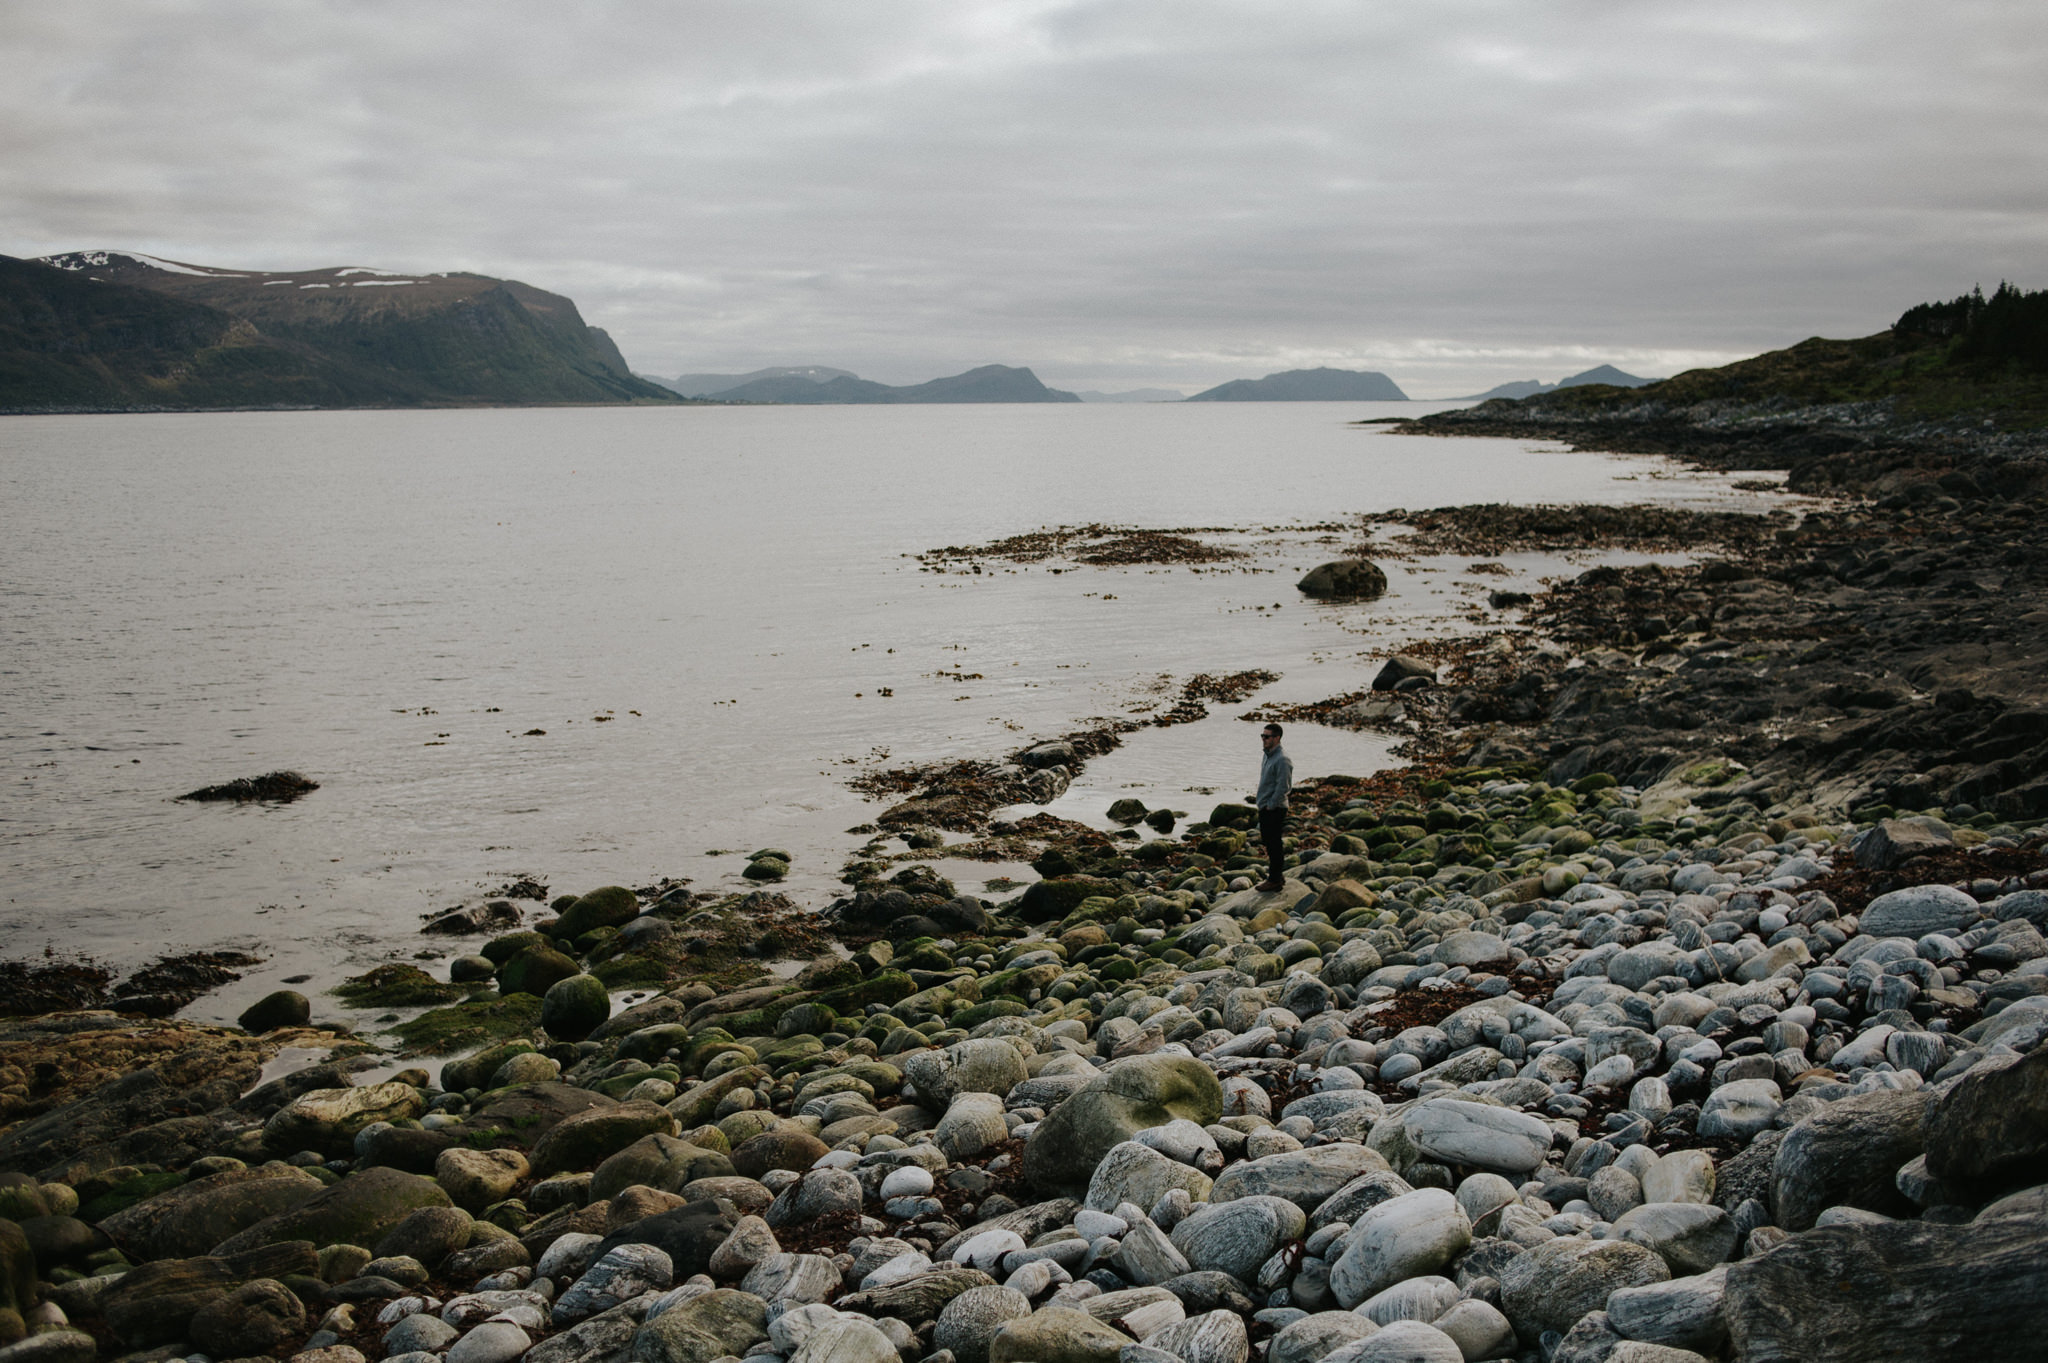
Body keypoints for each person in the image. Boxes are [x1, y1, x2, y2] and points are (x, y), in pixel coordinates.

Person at [1256, 722, 1293, 892]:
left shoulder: (1282, 759)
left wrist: (1271, 805)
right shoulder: (1268, 755)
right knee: (1268, 842)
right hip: (1265, 806)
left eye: (1267, 736)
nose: (1263, 739)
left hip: (1275, 808)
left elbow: (1283, 787)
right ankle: (1278, 875)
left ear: (1277, 738)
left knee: (1274, 844)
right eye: (1262, 736)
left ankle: (1274, 880)